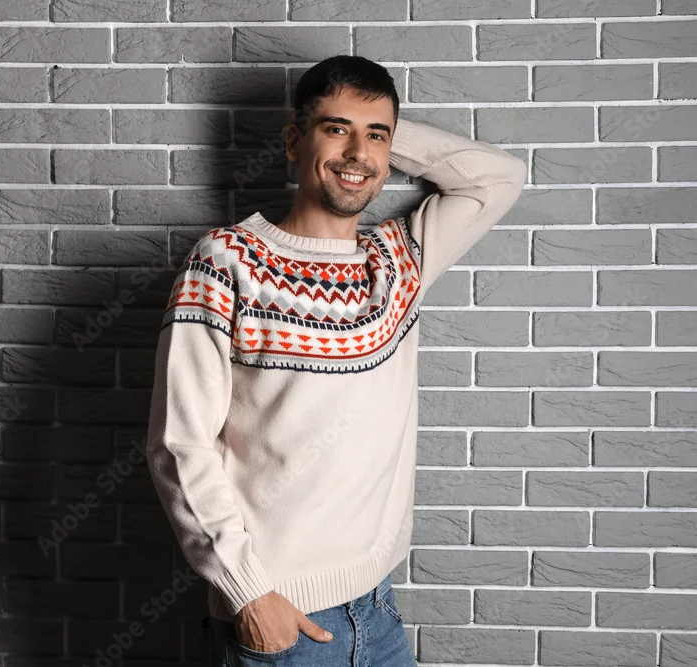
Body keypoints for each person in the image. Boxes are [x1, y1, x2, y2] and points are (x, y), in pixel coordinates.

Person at [145, 54, 527, 666]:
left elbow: (499, 177)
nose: (358, 153)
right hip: (280, 618)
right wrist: (249, 594)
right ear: (293, 141)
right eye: (335, 129)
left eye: (376, 135)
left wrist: (378, 138)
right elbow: (178, 443)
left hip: (377, 609)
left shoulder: (399, 261)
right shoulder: (226, 261)